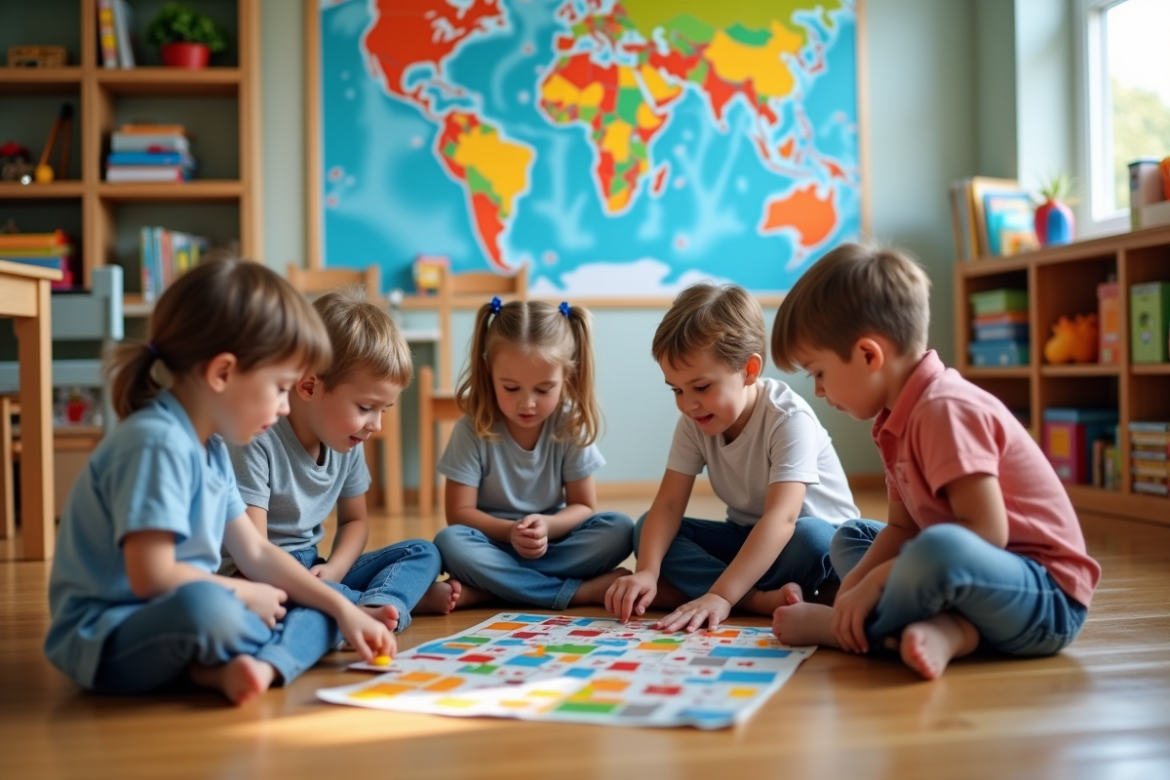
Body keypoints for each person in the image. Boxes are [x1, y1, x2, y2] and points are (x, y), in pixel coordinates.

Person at [44, 260, 394, 705]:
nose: (286, 407)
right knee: (220, 609)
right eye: (279, 388)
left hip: (185, 614)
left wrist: (340, 607)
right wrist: (246, 593)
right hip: (107, 635)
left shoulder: (211, 448)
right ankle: (250, 657)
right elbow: (152, 575)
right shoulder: (156, 443)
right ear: (223, 374)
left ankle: (220, 669)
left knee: (316, 605)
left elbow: (256, 552)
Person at [769, 243, 1101, 679]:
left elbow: (986, 533)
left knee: (936, 548)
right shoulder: (892, 422)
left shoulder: (945, 408)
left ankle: (844, 629)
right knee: (852, 537)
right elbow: (903, 528)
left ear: (869, 355)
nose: (818, 391)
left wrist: (874, 584)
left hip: (1045, 598)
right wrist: (853, 588)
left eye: (819, 373)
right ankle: (953, 631)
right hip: (967, 582)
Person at [606, 283, 858, 632]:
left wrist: (721, 595)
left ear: (749, 370)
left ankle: (719, 591)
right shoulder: (694, 421)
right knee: (648, 526)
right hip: (748, 537)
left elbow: (782, 519)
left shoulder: (788, 418)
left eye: (701, 387)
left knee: (812, 537)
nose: (688, 404)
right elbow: (668, 505)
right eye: (677, 390)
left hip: (809, 543)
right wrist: (647, 571)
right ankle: (756, 599)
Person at [224, 288, 456, 633]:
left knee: (424, 552)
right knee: (289, 610)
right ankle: (375, 602)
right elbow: (254, 556)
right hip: (259, 576)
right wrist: (325, 587)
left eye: (383, 410)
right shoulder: (257, 437)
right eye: (365, 408)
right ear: (308, 387)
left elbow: (355, 521)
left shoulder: (347, 441)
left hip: (314, 567)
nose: (375, 425)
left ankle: (376, 601)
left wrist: (334, 570)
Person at [434, 297, 633, 609]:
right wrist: (510, 531)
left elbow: (583, 505)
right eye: (511, 388)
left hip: (553, 544)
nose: (527, 403)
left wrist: (547, 526)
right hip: (493, 545)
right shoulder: (471, 429)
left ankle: (494, 589)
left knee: (619, 529)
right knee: (450, 542)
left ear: (567, 376)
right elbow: (459, 514)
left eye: (543, 390)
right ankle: (580, 593)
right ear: (488, 371)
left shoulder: (569, 424)